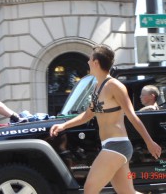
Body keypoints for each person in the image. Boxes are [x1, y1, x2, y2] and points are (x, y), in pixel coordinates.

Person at [50, 44, 162, 194]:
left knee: (89, 190)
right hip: (110, 146)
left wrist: (149, 142)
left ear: (96, 62)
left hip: (117, 146)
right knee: (127, 192)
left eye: (90, 59)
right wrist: (64, 125)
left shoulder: (115, 86)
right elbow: (88, 115)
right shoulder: (97, 87)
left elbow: (131, 115)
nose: (88, 62)